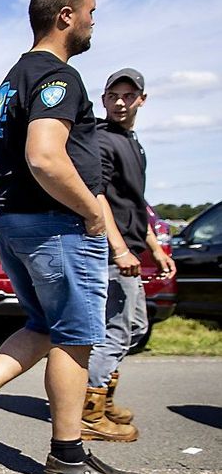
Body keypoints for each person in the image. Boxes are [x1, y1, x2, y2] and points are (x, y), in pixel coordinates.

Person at [0, 0, 147, 474]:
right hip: (55, 225)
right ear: (66, 17)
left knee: (44, 325)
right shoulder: (59, 77)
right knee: (75, 336)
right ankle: (69, 457)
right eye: (92, 11)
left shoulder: (12, 78)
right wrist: (93, 215)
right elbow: (45, 155)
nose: (96, 20)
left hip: (13, 221)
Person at [84, 68, 176, 442]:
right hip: (111, 253)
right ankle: (89, 415)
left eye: (128, 96)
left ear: (142, 99)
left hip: (133, 250)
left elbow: (136, 204)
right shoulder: (102, 141)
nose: (120, 102)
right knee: (115, 333)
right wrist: (118, 248)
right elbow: (98, 196)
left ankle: (103, 399)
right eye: (113, 96)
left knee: (135, 328)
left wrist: (154, 248)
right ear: (103, 99)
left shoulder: (132, 142)